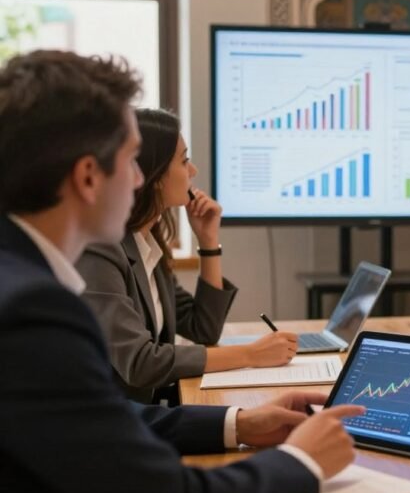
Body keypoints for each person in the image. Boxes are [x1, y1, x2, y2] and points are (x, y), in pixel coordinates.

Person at [0, 50, 363, 493]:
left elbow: (101, 419)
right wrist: (302, 463)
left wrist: (236, 423)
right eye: (133, 161)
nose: (138, 180)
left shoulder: (22, 282)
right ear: (88, 177)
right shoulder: (31, 311)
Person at [77, 108, 297, 403]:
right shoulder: (101, 250)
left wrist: (208, 240)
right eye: (184, 161)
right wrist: (250, 354)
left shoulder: (148, 245)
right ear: (152, 175)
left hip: (150, 414)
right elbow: (139, 363)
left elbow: (202, 328)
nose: (192, 172)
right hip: (114, 425)